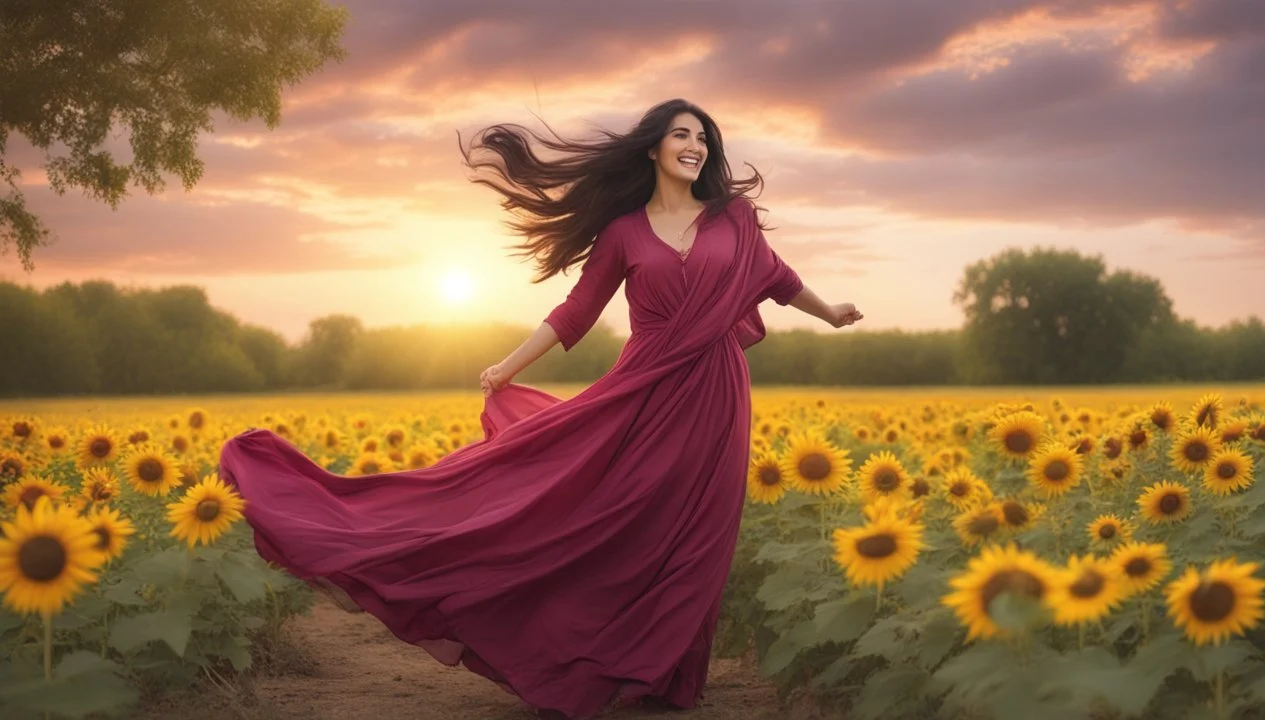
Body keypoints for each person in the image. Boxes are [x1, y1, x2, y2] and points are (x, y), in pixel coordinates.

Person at [218, 98, 863, 720]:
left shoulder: (734, 220)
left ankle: (669, 674)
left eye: (703, 138)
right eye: (682, 135)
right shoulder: (623, 232)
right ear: (653, 148)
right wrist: (508, 365)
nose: (695, 146)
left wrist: (830, 311)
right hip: (641, 394)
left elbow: (777, 277)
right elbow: (576, 313)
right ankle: (576, 655)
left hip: (717, 395)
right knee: (614, 519)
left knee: (697, 533)